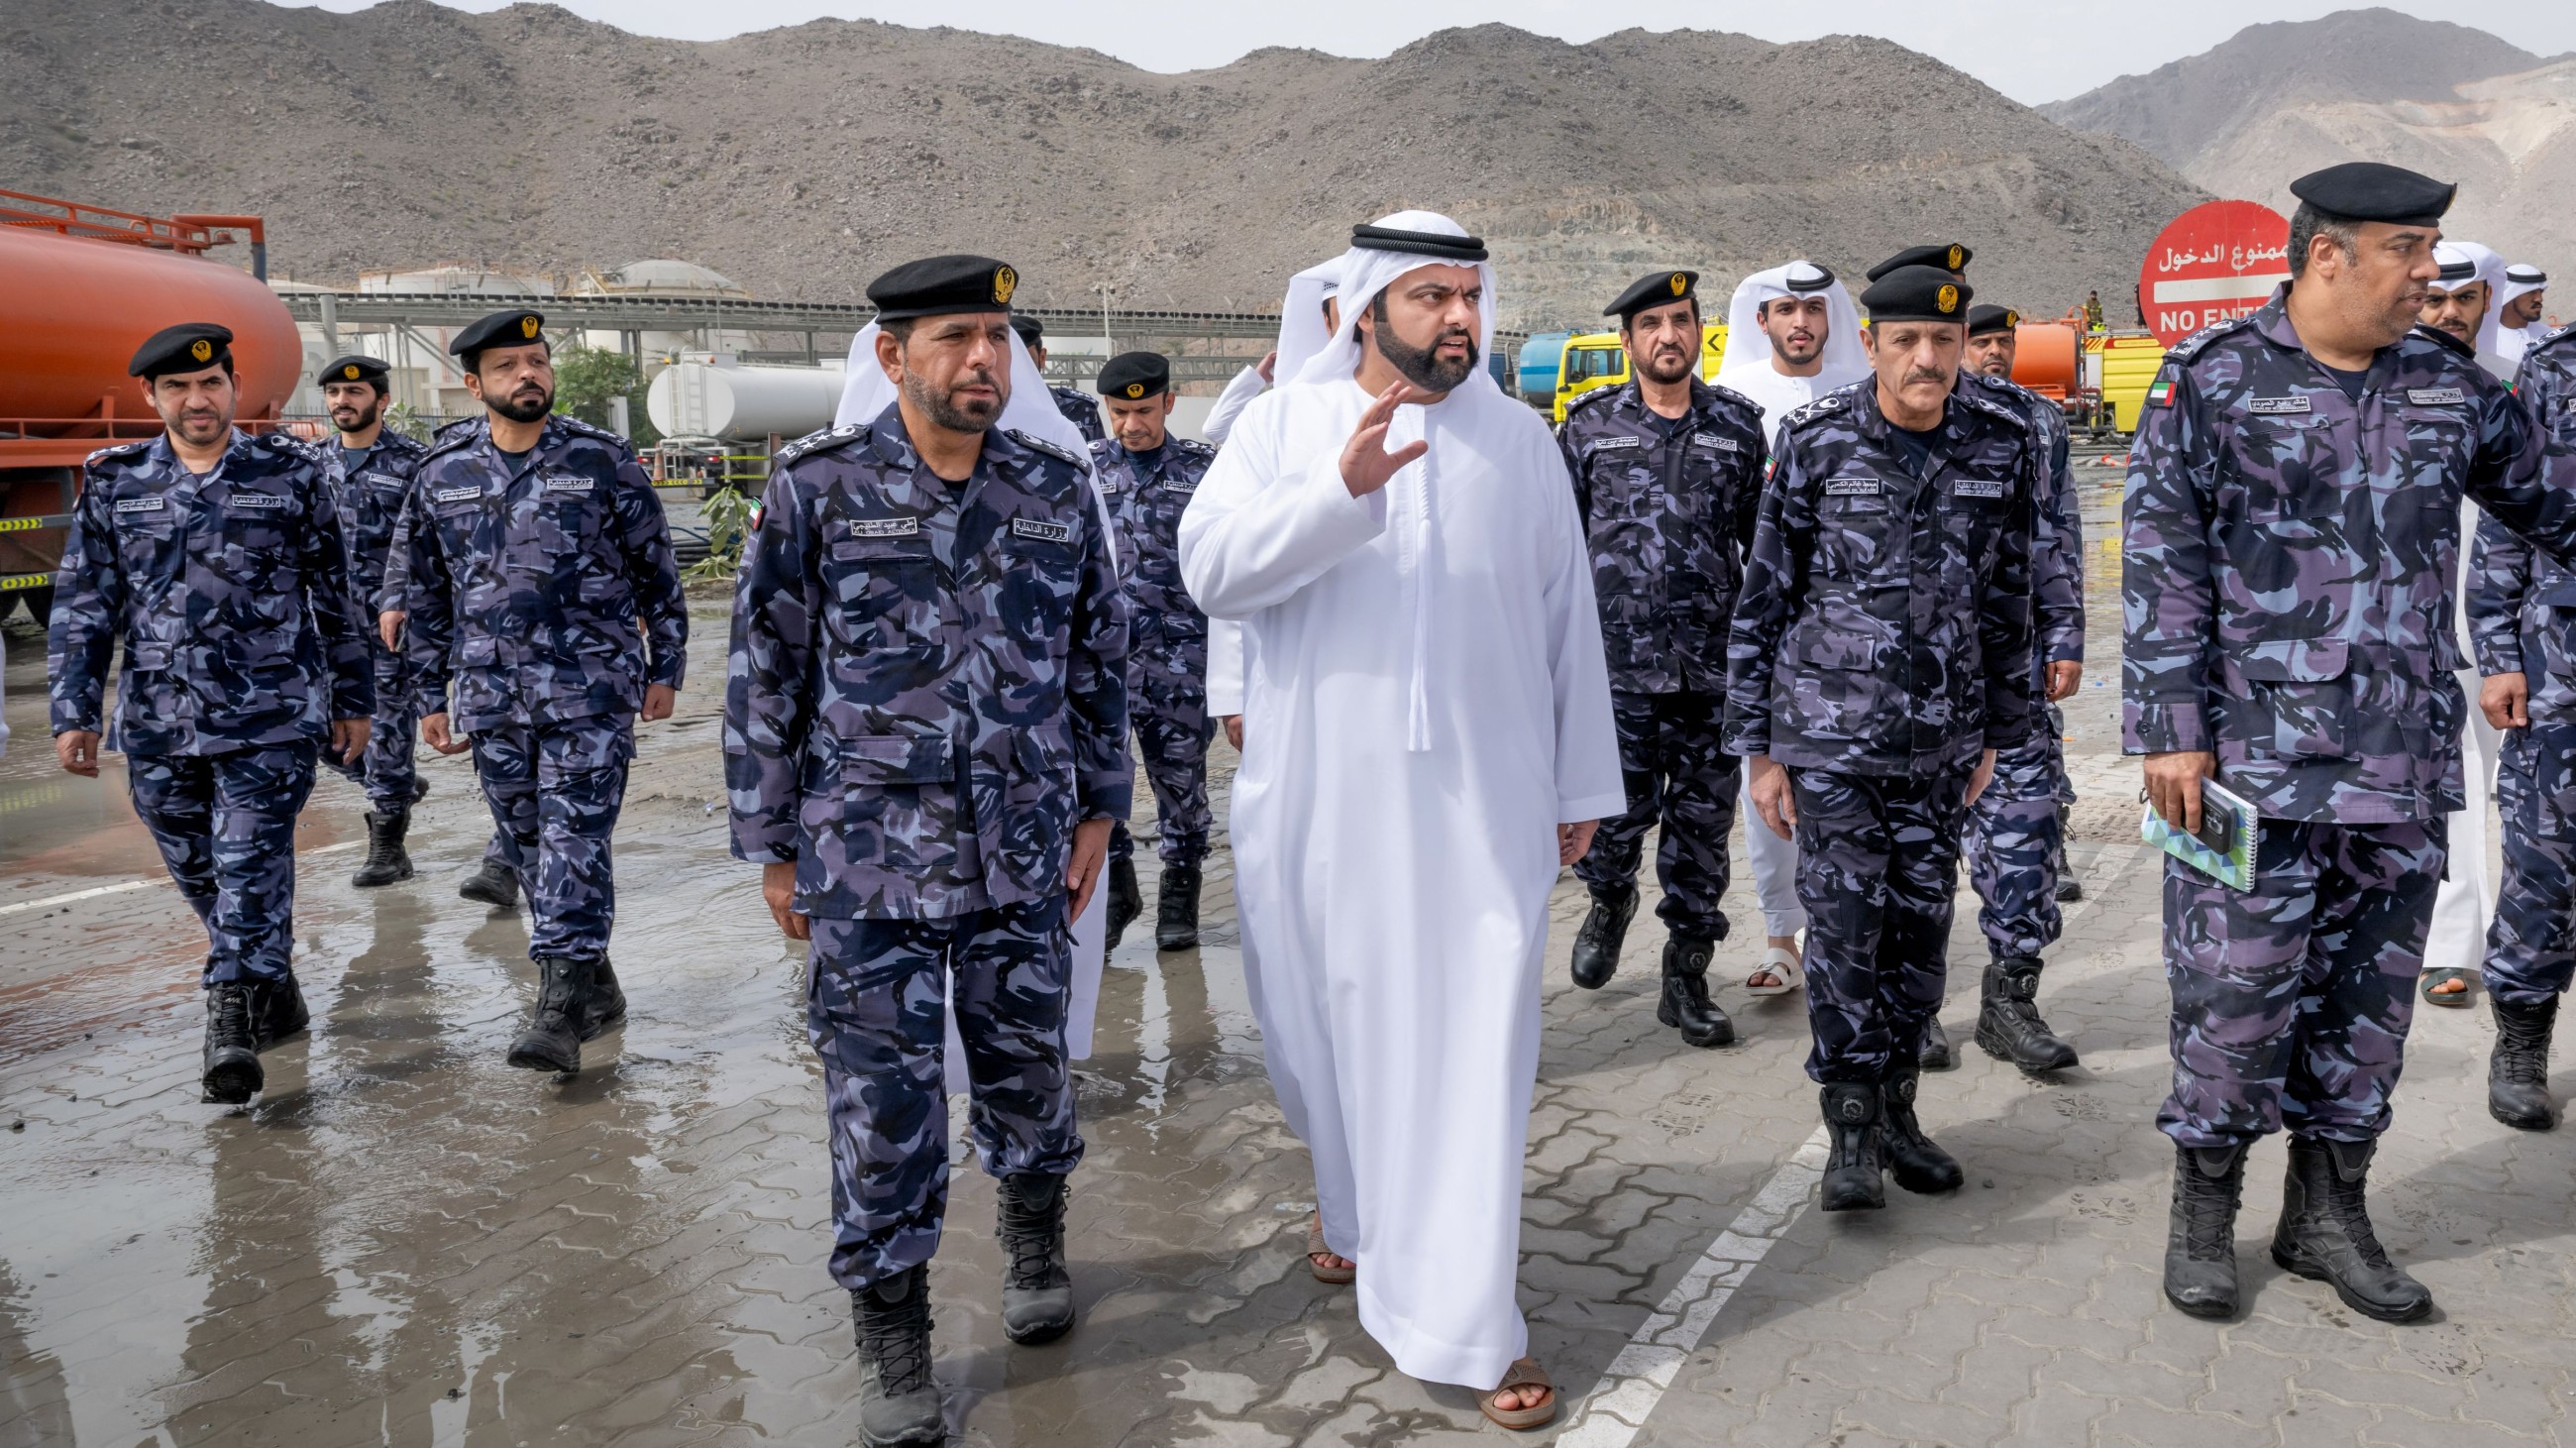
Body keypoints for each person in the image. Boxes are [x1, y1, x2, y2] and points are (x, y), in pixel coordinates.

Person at [1177, 211, 1622, 1430]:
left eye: (1468, 297)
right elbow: (1208, 574)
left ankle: (1468, 1321)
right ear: (1366, 309)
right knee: (1317, 1040)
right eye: (1430, 298)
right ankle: (1354, 1208)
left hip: (1484, 805)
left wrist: (1581, 785)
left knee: (1470, 1057)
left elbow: (1562, 620)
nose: (1458, 321)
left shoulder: (1520, 443)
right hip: (1321, 803)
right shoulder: (1278, 429)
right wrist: (1338, 493)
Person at [2127, 162, 2576, 1325]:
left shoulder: (2449, 386)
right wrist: (2170, 733)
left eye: (2431, 249)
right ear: (2326, 253)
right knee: (2231, 1003)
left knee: (2366, 1014)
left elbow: (2554, 506)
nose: (2430, 272)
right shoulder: (2211, 378)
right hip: (2244, 769)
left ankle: (2324, 1218)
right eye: (2405, 250)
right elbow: (2161, 558)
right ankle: (2202, 1216)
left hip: (2398, 766)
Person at [727, 255, 1130, 1448]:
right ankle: (892, 1331)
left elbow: (1096, 658)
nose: (982, 362)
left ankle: (1031, 1239)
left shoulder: (1053, 490)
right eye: (956, 338)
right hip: (865, 860)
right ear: (893, 355)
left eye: (996, 339)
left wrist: (1102, 807)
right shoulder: (819, 487)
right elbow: (764, 672)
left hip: (1021, 846)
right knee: (881, 1103)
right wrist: (769, 845)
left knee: (1027, 1069)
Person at [1726, 264, 2036, 1215]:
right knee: (1846, 938)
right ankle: (1850, 1129)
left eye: (1943, 342)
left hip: (1942, 746)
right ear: (1873, 346)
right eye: (1906, 340)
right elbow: (1765, 597)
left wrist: (2001, 731)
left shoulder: (1998, 445)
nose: (1927, 358)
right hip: (1832, 745)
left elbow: (2007, 598)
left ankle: (1901, 1112)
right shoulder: (1817, 445)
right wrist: (1761, 747)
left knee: (1919, 936)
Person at [48, 322, 375, 1104]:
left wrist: (354, 697)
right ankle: (274, 981)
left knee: (248, 859)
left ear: (232, 386)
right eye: (179, 389)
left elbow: (336, 592)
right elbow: (86, 603)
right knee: (201, 866)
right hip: (160, 718)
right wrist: (74, 708)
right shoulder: (117, 480)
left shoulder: (289, 473)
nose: (198, 400)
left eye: (212, 384)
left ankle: (230, 1019)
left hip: (273, 712)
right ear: (151, 397)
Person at [402, 307, 688, 1076]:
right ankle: (597, 985)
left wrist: (667, 666)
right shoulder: (441, 473)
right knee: (528, 845)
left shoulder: (602, 459)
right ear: (474, 384)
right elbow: (427, 594)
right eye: (508, 366)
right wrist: (431, 696)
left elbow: (656, 571)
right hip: (494, 695)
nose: (528, 374)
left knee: (573, 839)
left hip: (590, 687)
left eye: (537, 360)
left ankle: (558, 1006)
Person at [1558, 269, 1768, 1048]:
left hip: (1713, 675)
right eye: (1651, 325)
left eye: (1680, 321)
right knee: (1613, 820)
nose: (1667, 336)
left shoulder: (1739, 428)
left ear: (1699, 331)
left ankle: (1685, 976)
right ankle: (1608, 898)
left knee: (1701, 833)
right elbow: (1556, 551)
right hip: (1617, 672)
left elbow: (1766, 550)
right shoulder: (1586, 428)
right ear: (1628, 341)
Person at [1713, 260, 1871, 1002]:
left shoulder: (1863, 395)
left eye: (1813, 309)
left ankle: (1845, 934)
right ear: (1761, 322)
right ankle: (1781, 938)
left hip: (1847, 623)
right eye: (1785, 309)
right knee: (1765, 782)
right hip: (1762, 615)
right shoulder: (1734, 401)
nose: (1801, 322)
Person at [1957, 305, 2087, 1072]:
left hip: (2013, 665)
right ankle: (1904, 1013)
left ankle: (2011, 998)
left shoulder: (2034, 422)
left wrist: (2066, 633)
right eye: (1982, 340)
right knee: (1912, 856)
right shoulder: (1852, 424)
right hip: (1907, 685)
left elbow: (2058, 530)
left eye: (2001, 339)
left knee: (2030, 833)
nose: (1993, 352)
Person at [2470, 315, 2576, 1130]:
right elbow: (2508, 519)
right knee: (2547, 859)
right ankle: (2521, 1038)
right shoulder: (2554, 367)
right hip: (2562, 666)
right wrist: (2501, 652)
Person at [1090, 350, 1219, 952]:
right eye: (1118, 412)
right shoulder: (1086, 472)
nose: (1130, 425)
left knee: (1180, 783)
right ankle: (1117, 889)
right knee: (1101, 780)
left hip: (1182, 659)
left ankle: (1180, 891)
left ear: (1169, 403)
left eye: (1142, 411)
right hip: (1107, 663)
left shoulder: (1206, 470)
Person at [382, 412, 524, 910]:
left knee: (562, 791)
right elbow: (415, 553)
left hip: (568, 663)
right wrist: (394, 598)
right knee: (511, 783)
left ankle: (503, 866)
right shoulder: (443, 465)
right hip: (479, 653)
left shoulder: (577, 454)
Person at [1207, 260, 1345, 752]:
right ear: (1325, 321)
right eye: (1337, 312)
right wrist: (1231, 692)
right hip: (1290, 670)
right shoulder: (1280, 415)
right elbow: (1231, 564)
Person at [314, 355, 434, 887]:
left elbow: (427, 547)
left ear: (381, 401)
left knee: (386, 729)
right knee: (315, 731)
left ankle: (389, 848)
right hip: (324, 625)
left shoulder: (414, 462)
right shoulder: (311, 463)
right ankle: (395, 782)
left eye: (355, 392)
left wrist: (408, 602)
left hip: (389, 626)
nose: (343, 401)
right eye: (335, 392)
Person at [2420, 240, 2515, 380]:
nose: (2451, 312)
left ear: (2487, 299)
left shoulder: (2513, 377)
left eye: (2465, 298)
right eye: (2434, 300)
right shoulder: (2390, 379)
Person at [1012, 314, 1107, 445]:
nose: (1019, 368)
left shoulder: (1078, 408)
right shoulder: (986, 412)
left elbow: (1101, 462)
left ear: (1042, 357)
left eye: (1027, 360)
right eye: (1011, 360)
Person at [2497, 264, 2548, 368]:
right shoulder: (2486, 340)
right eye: (2531, 292)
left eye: (2540, 292)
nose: (2539, 299)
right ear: (2510, 294)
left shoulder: (2549, 335)